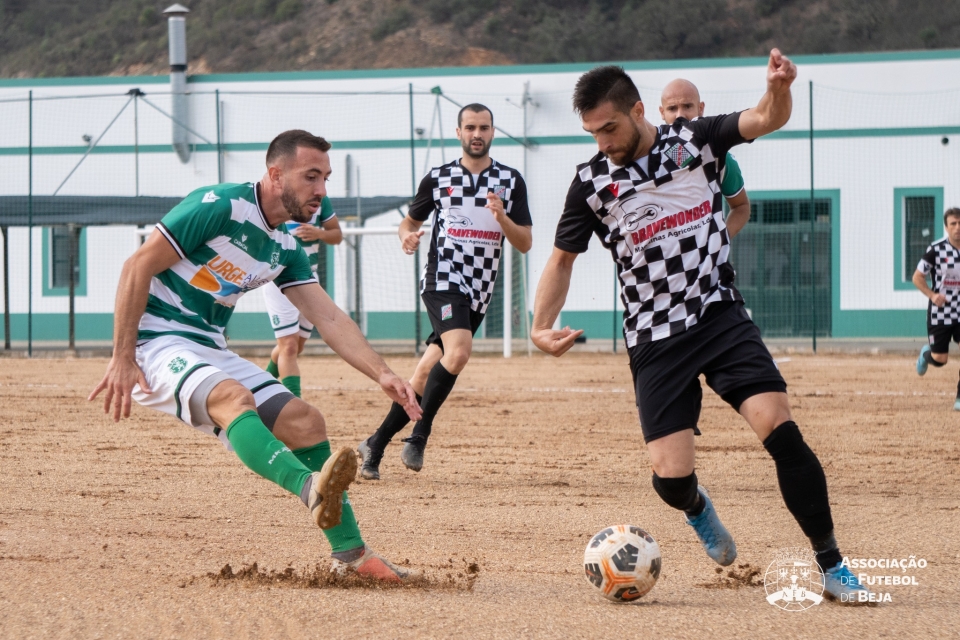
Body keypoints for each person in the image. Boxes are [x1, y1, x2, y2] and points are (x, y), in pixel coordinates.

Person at [531, 51, 871, 603]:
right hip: (654, 337)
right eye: (592, 133)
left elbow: (765, 118)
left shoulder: (695, 139)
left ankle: (833, 566)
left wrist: (778, 87)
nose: (603, 143)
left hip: (719, 314)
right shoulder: (591, 183)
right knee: (669, 479)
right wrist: (539, 325)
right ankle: (695, 506)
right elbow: (561, 259)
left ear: (640, 111)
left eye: (610, 128)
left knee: (780, 429)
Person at [88, 130, 422, 583]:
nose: (322, 189)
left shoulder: (287, 245)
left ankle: (351, 559)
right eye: (311, 176)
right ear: (275, 174)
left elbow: (328, 317)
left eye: (325, 177)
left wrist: (382, 373)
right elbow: (137, 265)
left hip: (207, 344)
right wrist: (123, 356)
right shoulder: (220, 205)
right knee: (232, 398)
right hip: (155, 341)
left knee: (306, 421)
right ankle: (310, 490)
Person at [356, 104, 533, 480]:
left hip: (480, 288)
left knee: (422, 374)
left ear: (492, 132)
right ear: (458, 132)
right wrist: (407, 237)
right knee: (460, 351)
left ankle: (376, 443)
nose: (477, 133)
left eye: (484, 127)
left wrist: (503, 218)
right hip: (442, 280)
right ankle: (420, 434)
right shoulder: (438, 178)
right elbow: (409, 221)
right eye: (470, 127)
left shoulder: (510, 180)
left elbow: (525, 243)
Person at [262, 194, 342, 398]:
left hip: (308, 278)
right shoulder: (274, 199)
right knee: (288, 346)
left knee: (295, 346)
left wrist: (320, 233)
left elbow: (337, 235)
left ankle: (260, 386)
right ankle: (293, 405)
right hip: (279, 276)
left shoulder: (320, 201)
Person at [660, 79, 751, 239]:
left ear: (700, 108)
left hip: (707, 263)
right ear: (662, 112)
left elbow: (741, 206)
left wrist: (721, 240)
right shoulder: (649, 153)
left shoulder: (719, 156)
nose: (680, 115)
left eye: (687, 106)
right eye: (672, 108)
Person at [913, 207, 960, 410]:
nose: (958, 228)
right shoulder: (936, 249)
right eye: (953, 224)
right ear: (947, 227)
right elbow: (917, 277)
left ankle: (959, 398)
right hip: (940, 313)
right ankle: (926, 354)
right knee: (940, 359)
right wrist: (933, 296)